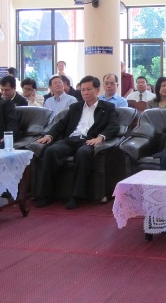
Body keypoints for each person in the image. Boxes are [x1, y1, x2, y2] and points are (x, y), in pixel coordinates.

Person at [35, 75, 120, 210]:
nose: (85, 93)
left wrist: (101, 137)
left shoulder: (107, 107)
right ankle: (46, 194)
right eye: (83, 90)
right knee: (51, 151)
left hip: (89, 140)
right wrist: (50, 135)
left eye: (89, 89)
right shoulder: (75, 107)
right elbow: (62, 124)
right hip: (71, 139)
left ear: (97, 90)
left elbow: (114, 126)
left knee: (83, 153)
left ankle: (76, 196)